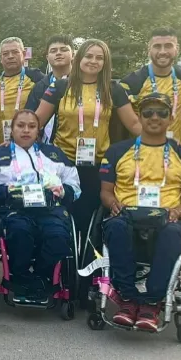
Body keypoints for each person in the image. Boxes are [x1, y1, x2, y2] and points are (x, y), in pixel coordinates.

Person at [99, 93, 181, 331]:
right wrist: (112, 202)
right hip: (127, 214)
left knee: (174, 232)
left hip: (166, 217)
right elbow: (105, 192)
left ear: (171, 117)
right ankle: (127, 299)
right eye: (148, 112)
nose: (154, 117)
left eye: (161, 112)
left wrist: (178, 211)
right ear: (139, 116)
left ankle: (152, 302)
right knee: (114, 226)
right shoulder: (117, 151)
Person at [32, 39, 141, 242]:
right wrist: (15, 143)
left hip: (98, 165)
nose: (93, 61)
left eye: (99, 58)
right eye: (89, 56)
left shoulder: (113, 89)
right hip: (63, 164)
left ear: (105, 63)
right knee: (63, 218)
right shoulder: (60, 86)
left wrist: (164, 144)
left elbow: (134, 124)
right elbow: (36, 120)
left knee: (91, 221)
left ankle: (89, 260)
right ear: (79, 58)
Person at [0, 110, 81, 303]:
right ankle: (20, 276)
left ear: (38, 130)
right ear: (12, 129)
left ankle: (41, 277)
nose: (26, 130)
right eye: (20, 126)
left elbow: (74, 185)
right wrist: (4, 192)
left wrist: (63, 191)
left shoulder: (54, 153)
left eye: (31, 126)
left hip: (49, 210)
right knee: (20, 232)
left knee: (58, 236)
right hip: (13, 210)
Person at [120, 28, 181, 145]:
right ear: (149, 50)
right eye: (157, 46)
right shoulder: (132, 82)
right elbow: (132, 123)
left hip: (177, 150)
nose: (162, 51)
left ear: (177, 49)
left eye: (168, 46)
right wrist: (162, 141)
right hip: (143, 150)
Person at [0, 37, 45, 147]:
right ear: (0, 58)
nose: (10, 56)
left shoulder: (37, 78)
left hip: (30, 144)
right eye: (5, 54)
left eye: (15, 52)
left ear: (24, 54)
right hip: (0, 145)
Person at [26, 35, 75, 144]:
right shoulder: (40, 87)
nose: (58, 53)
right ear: (47, 58)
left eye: (64, 50)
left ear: (73, 55)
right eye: (53, 51)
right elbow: (29, 116)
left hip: (73, 146)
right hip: (44, 146)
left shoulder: (82, 84)